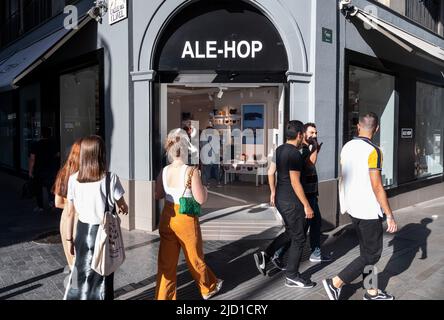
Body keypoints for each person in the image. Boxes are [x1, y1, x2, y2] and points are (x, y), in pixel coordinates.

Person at [322, 112, 398, 301]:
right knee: (372, 255)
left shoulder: (347, 146)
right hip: (368, 210)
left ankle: (371, 291)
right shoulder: (374, 150)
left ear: (358, 127)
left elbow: (345, 174)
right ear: (377, 129)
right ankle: (335, 283)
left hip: (352, 207)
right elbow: (377, 185)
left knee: (366, 251)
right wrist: (389, 214)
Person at [155, 128, 223, 300]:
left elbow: (158, 195)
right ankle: (207, 288)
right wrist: (205, 189)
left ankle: (164, 297)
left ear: (169, 149)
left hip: (168, 217)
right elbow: (200, 199)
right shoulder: (191, 171)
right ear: (186, 149)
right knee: (194, 258)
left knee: (166, 263)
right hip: (185, 219)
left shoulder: (163, 171)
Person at [64, 135, 128, 300]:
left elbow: (70, 212)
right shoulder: (110, 178)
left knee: (81, 272)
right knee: (104, 272)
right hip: (103, 233)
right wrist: (123, 206)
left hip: (82, 232)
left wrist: (69, 239)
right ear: (102, 155)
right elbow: (121, 202)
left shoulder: (73, 179)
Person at [253, 120, 316, 288]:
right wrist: (307, 205)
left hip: (281, 198)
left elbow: (270, 172)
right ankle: (292, 276)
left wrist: (273, 192)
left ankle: (266, 255)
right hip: (292, 201)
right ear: (299, 135)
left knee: (290, 231)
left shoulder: (280, 150)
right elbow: (296, 182)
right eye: (303, 133)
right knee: (299, 238)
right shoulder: (294, 154)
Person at [271, 123, 331, 268]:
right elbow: (310, 165)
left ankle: (312, 252)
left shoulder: (303, 149)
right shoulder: (301, 150)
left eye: (316, 132)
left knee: (308, 227)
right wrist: (315, 149)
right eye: (311, 132)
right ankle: (278, 255)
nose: (314, 135)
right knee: (300, 231)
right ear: (303, 134)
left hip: (310, 194)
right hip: (305, 196)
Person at [52, 139, 82, 269]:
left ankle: (75, 286)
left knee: (73, 263)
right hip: (82, 220)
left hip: (65, 221)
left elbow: (58, 203)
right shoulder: (85, 176)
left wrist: (70, 206)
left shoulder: (63, 173)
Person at [28, 127, 59, 212]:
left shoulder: (35, 144)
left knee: (38, 189)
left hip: (39, 170)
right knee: (51, 188)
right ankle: (52, 204)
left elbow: (32, 159)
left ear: (41, 134)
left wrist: (30, 171)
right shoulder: (54, 144)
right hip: (51, 170)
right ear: (50, 134)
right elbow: (57, 155)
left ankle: (40, 206)